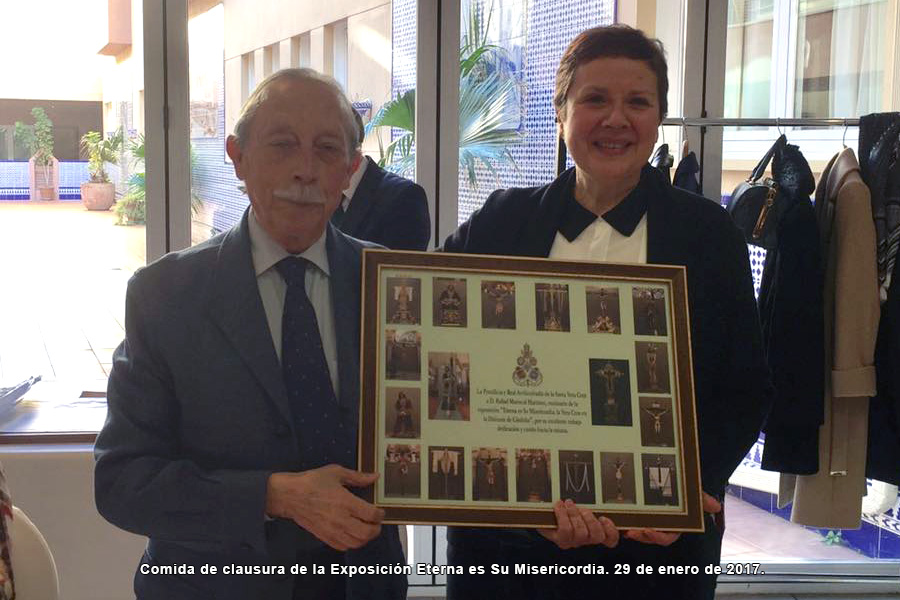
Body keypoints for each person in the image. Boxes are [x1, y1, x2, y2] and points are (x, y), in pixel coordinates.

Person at [442, 25, 771, 600]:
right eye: (595, 99)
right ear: (560, 113)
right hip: (509, 548)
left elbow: (743, 386)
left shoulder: (709, 234)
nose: (616, 120)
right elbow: (432, 327)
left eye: (637, 102)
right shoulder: (501, 220)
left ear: (658, 119)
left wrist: (683, 491)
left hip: (656, 547)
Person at [94, 69, 406, 600]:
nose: (305, 169)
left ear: (351, 169)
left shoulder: (395, 287)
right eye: (282, 145)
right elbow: (122, 481)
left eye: (327, 149)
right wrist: (273, 496)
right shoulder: (165, 295)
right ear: (237, 156)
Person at [330, 110, 431, 250]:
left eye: (325, 146)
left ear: (352, 149)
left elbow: (401, 263)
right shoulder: (317, 194)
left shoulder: (405, 198)